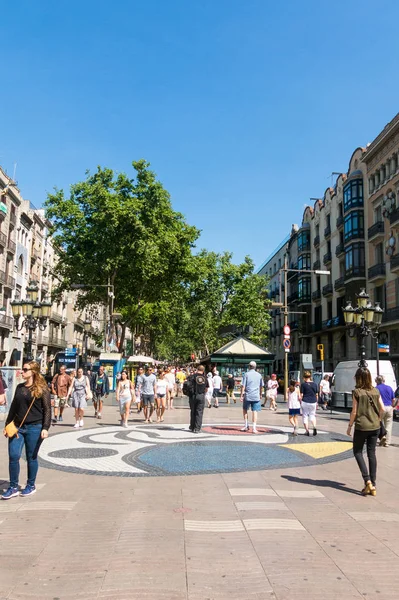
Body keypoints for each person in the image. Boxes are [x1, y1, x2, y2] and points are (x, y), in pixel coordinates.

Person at [2, 361, 51, 499]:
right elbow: (13, 408)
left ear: (33, 372)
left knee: (31, 457)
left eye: (25, 369)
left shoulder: (42, 389)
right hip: (17, 427)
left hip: (35, 427)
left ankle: (30, 485)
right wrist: (7, 425)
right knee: (13, 456)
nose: (22, 372)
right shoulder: (19, 387)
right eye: (22, 369)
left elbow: (47, 410)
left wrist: (45, 428)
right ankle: (13, 487)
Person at [347, 367, 385, 496]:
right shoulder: (375, 391)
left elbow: (354, 412)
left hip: (361, 427)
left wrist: (349, 426)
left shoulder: (357, 392)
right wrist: (378, 419)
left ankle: (367, 480)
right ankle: (373, 484)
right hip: (375, 427)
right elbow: (383, 409)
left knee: (357, 452)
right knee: (371, 453)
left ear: (358, 378)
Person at [240, 361, 264, 434]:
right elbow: (261, 386)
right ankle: (254, 428)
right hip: (256, 395)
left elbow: (243, 385)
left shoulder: (246, 375)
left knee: (245, 409)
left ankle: (246, 425)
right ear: (255, 367)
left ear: (249, 366)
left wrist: (241, 395)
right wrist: (260, 394)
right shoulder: (259, 375)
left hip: (248, 395)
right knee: (255, 411)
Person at [187, 365, 208, 433]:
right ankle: (197, 428)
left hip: (193, 396)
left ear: (197, 369)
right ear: (203, 370)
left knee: (193, 411)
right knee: (199, 412)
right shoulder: (205, 377)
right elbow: (206, 388)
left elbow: (188, 384)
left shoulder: (192, 376)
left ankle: (192, 426)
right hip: (201, 395)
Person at [375, 375, 395, 447]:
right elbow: (393, 399)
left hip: (380, 408)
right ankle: (387, 442)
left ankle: (382, 437)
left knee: (379, 423)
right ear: (384, 381)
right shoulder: (389, 388)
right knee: (388, 425)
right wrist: (392, 406)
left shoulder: (376, 389)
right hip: (389, 407)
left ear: (376, 381)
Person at [299, 370, 318, 436]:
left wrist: (300, 401)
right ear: (310, 376)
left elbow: (301, 395)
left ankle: (307, 431)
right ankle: (314, 426)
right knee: (312, 415)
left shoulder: (303, 385)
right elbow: (316, 394)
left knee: (305, 416)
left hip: (305, 401)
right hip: (313, 401)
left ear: (304, 377)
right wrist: (317, 402)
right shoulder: (315, 384)